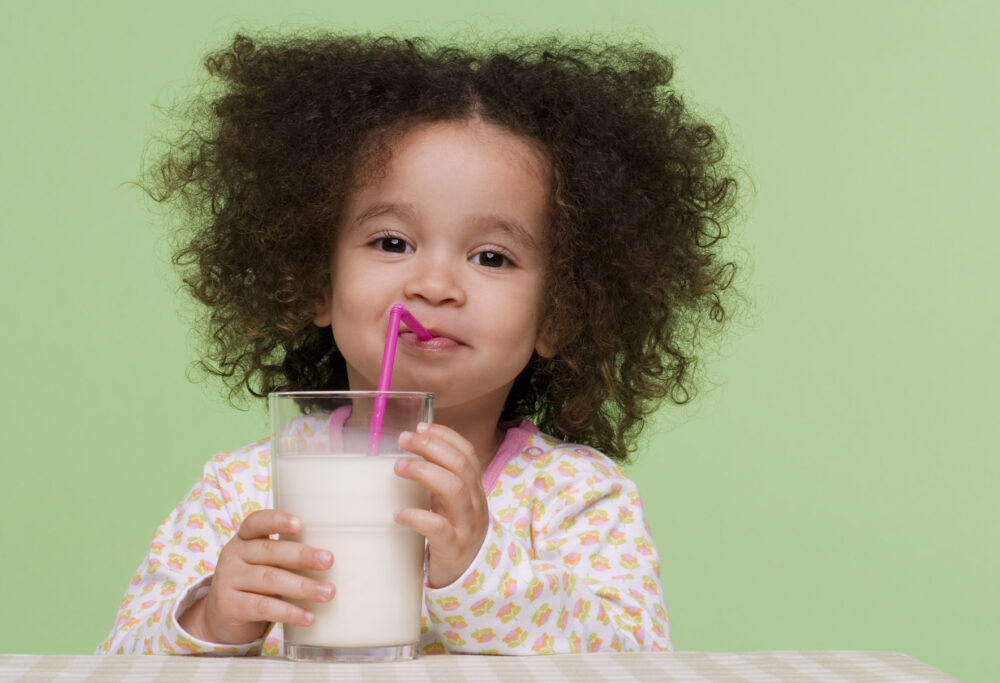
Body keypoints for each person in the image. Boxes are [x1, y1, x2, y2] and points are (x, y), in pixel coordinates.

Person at [97, 32, 740, 656]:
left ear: (560, 314)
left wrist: (479, 570)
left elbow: (640, 664)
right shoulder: (244, 488)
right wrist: (214, 616)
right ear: (313, 284)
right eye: (391, 242)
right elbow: (112, 662)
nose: (433, 285)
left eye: (491, 256)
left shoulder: (577, 499)